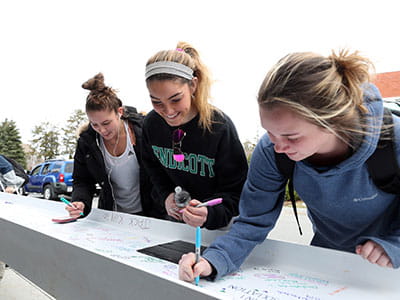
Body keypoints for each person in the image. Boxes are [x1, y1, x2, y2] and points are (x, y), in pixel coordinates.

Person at [179, 50, 400, 283]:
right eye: (270, 132)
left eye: (292, 137)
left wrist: (395, 244)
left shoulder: (392, 141)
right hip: (327, 264)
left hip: (390, 270)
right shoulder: (273, 151)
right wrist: (213, 260)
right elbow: (253, 221)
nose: (278, 146)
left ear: (332, 122)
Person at [142, 42, 248, 230]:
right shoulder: (151, 124)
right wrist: (165, 195)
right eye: (156, 101)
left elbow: (236, 191)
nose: (168, 111)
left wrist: (210, 214)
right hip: (175, 222)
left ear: (193, 85)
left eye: (176, 99)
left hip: (218, 225)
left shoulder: (219, 127)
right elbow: (152, 169)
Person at [67, 73, 161, 218]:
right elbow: (82, 180)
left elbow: (162, 172)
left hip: (152, 214)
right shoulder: (87, 142)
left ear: (120, 112)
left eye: (106, 123)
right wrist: (80, 202)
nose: (102, 130)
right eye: (95, 125)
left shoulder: (144, 131)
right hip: (112, 216)